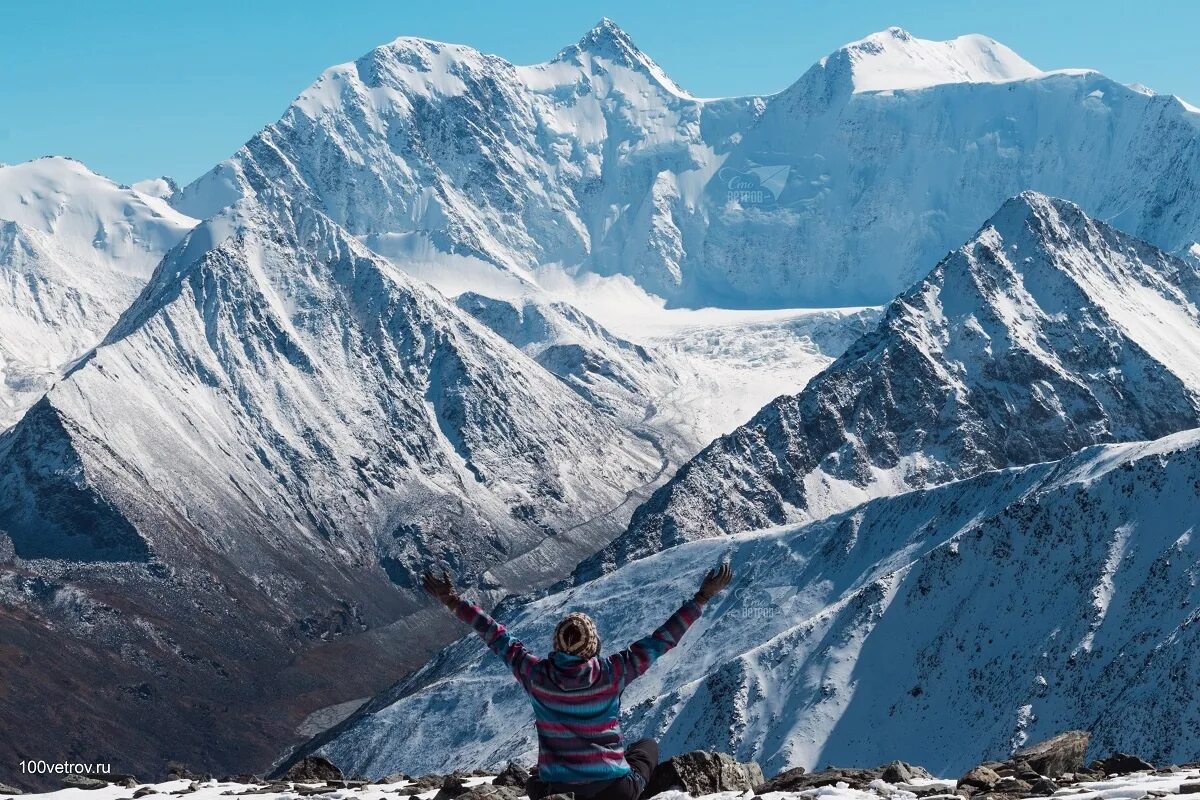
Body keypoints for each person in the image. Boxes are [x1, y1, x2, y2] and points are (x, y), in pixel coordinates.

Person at [421, 563, 733, 800]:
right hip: (614, 791)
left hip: (557, 789)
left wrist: (452, 600)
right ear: (593, 647)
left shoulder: (536, 675)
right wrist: (702, 598)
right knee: (646, 747)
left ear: (556, 645)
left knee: (536, 779)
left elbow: (495, 634)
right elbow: (662, 639)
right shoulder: (614, 672)